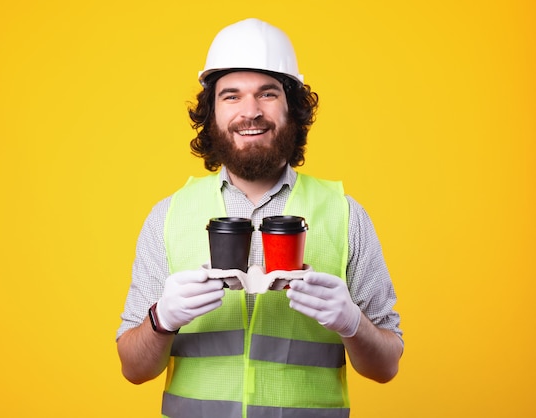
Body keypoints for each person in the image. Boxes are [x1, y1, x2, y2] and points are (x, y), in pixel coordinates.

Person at [116, 17, 403, 417]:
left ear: (293, 110)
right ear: (210, 113)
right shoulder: (168, 216)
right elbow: (134, 368)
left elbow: (386, 366)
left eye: (267, 94)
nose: (250, 112)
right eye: (231, 96)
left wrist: (353, 323)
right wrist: (161, 319)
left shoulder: (345, 214)